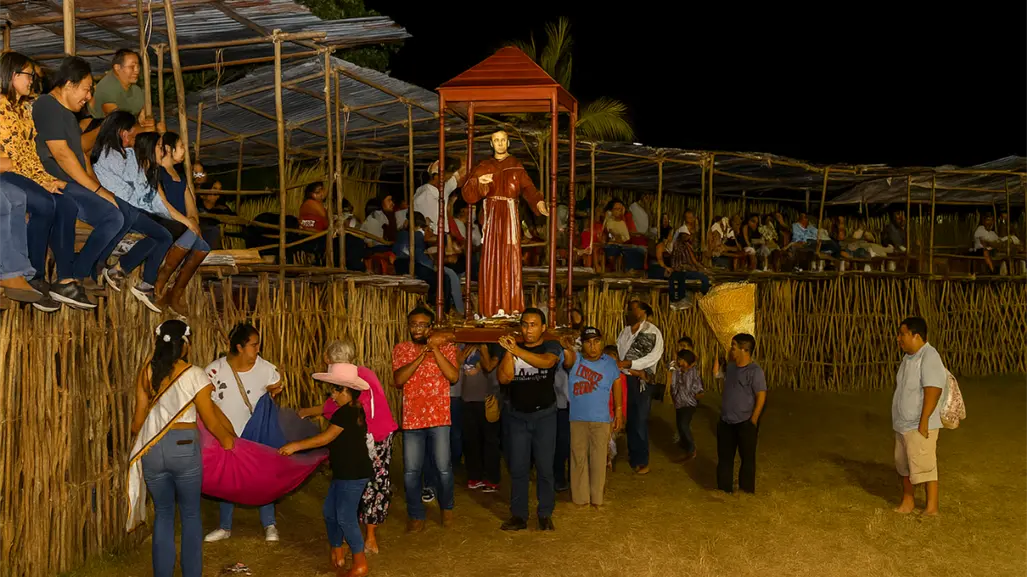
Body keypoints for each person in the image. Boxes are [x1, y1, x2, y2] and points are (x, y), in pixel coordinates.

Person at [126, 320, 236, 577]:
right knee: (189, 515)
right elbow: (209, 419)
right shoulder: (195, 374)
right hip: (184, 448)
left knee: (163, 514)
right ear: (185, 345)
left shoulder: (146, 372)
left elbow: (137, 424)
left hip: (152, 448)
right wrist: (228, 442)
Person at [34, 57, 129, 308]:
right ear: (69, 84)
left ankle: (77, 274)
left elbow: (81, 157)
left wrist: (102, 191)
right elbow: (61, 154)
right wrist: (95, 189)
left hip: (73, 183)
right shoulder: (46, 105)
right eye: (86, 89)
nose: (88, 97)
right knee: (71, 208)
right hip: (53, 183)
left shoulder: (69, 116)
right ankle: (68, 278)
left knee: (117, 215)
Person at [297, 337, 397, 556]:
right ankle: (363, 536)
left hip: (375, 436)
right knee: (370, 484)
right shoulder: (359, 375)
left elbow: (337, 410)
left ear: (332, 360)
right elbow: (334, 406)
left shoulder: (354, 381)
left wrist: (307, 416)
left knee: (372, 484)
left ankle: (367, 538)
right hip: (373, 434)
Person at [279, 363, 372, 577]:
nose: (332, 394)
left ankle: (360, 562)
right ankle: (337, 550)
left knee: (345, 517)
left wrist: (296, 446)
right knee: (330, 512)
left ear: (346, 391)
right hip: (343, 472)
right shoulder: (349, 411)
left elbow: (326, 438)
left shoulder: (346, 414)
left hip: (353, 474)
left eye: (335, 389)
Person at [0, 51, 75, 310]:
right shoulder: (0, 106)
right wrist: (40, 181)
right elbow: (11, 157)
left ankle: (63, 276)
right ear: (12, 75)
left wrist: (45, 177)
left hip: (21, 170)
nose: (32, 80)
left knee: (63, 203)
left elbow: (29, 154)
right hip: (7, 173)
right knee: (43, 203)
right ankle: (32, 274)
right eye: (28, 75)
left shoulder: (22, 109)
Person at [204, 323, 284, 543]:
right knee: (227, 478)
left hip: (257, 434)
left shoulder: (265, 369)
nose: (257, 349)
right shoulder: (214, 370)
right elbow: (204, 402)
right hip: (226, 435)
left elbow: (277, 383)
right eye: (253, 345)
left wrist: (273, 394)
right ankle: (225, 526)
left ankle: (269, 524)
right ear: (239, 347)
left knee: (263, 477)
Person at [90, 115, 175, 312]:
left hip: (130, 207)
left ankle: (135, 278)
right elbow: (125, 186)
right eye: (134, 135)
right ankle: (100, 261)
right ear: (123, 133)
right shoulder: (107, 153)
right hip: (114, 205)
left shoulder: (130, 156)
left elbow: (140, 190)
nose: (136, 140)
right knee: (126, 216)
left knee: (163, 235)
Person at [461, 130, 548, 317]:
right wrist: (478, 182)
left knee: (510, 257)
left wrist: (538, 201)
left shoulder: (516, 166)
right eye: (496, 140)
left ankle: (511, 307)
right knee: (490, 257)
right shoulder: (484, 165)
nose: (500, 143)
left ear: (508, 143)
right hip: (491, 216)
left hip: (509, 215)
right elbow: (468, 192)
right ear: (491, 144)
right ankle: (491, 308)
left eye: (503, 140)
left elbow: (529, 188)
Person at [495, 307, 563, 531]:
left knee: (545, 467)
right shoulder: (512, 347)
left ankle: (545, 514)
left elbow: (547, 363)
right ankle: (519, 516)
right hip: (517, 416)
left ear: (543, 328)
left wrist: (517, 351)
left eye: (533, 324)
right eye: (524, 324)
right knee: (518, 467)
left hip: (545, 415)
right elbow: (504, 379)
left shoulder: (551, 345)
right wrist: (508, 351)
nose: (528, 329)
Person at [391, 306, 458, 532]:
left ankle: (447, 510)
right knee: (411, 471)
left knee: (443, 469)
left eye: (422, 325)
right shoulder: (401, 349)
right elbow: (399, 380)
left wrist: (435, 350)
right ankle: (415, 514)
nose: (417, 329)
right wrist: (420, 356)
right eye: (413, 324)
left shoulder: (447, 348)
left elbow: (453, 376)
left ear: (430, 327)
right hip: (413, 419)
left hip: (440, 417)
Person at [560, 326, 623, 509]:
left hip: (601, 418)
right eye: (588, 342)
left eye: (596, 342)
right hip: (578, 418)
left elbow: (617, 382)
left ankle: (597, 497)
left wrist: (618, 410)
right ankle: (580, 498)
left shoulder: (609, 363)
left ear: (601, 342)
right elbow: (568, 361)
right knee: (578, 457)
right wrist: (567, 347)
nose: (593, 346)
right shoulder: (576, 359)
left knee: (599, 458)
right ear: (583, 345)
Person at [893, 317, 946, 516]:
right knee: (904, 465)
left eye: (902, 334)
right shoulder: (908, 358)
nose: (899, 338)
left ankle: (932, 507)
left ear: (916, 335)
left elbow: (933, 389)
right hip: (904, 424)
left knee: (925, 465)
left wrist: (924, 421)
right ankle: (908, 502)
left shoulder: (929, 356)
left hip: (920, 423)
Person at [153, 131, 210, 314]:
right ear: (168, 149)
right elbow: (163, 204)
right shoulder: (157, 173)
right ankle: (162, 277)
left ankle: (176, 292)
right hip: (165, 220)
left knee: (204, 245)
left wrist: (193, 221)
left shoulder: (181, 177)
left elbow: (191, 207)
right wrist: (189, 223)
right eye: (181, 146)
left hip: (183, 224)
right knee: (191, 232)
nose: (185, 150)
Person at [615, 300, 665, 475]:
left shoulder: (652, 332)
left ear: (644, 312)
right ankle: (633, 455)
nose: (630, 310)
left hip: (641, 381)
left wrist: (631, 363)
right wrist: (624, 366)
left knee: (640, 420)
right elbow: (620, 353)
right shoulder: (624, 331)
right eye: (629, 307)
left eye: (634, 308)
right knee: (630, 420)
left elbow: (654, 356)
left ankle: (642, 460)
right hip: (626, 378)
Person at [716, 333, 767, 494]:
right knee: (725, 458)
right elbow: (717, 375)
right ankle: (724, 489)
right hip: (726, 421)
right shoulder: (731, 367)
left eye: (734, 346)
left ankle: (746, 490)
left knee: (747, 459)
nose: (731, 349)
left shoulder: (755, 371)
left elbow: (761, 395)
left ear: (744, 349)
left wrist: (753, 420)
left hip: (745, 422)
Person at [459, 344, 501, 493]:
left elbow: (489, 367)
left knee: (490, 440)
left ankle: (492, 477)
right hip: (467, 398)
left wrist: (483, 349)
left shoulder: (493, 345)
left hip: (488, 400)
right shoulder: (462, 343)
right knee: (471, 440)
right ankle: (474, 476)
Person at [88, 49, 157, 131]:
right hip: (105, 132)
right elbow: (116, 123)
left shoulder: (136, 90)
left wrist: (147, 120)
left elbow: (144, 116)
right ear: (117, 68)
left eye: (138, 66)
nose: (137, 70)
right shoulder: (106, 87)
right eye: (132, 67)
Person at [670, 349, 704, 462]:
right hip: (679, 403)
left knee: (684, 425)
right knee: (680, 426)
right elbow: (669, 366)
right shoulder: (678, 372)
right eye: (679, 359)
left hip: (689, 404)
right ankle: (686, 448)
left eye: (681, 360)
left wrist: (696, 397)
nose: (679, 362)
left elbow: (699, 390)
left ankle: (691, 448)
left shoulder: (693, 373)